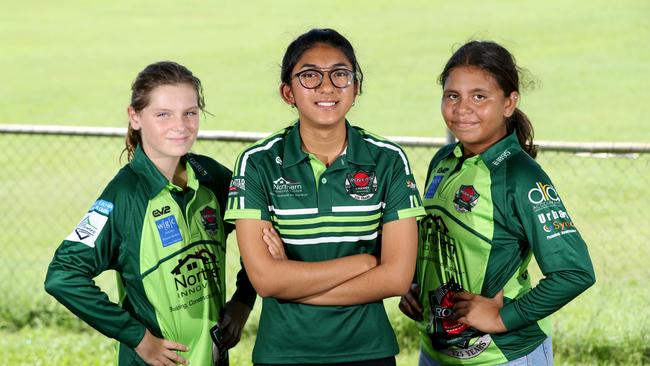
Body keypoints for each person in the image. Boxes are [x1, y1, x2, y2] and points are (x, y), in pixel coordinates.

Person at [224, 28, 425, 366]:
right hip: (283, 353)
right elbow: (266, 280)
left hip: (369, 351)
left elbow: (397, 277)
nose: (327, 86)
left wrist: (293, 278)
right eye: (310, 76)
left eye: (340, 74)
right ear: (287, 92)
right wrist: (363, 264)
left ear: (356, 87)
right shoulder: (256, 163)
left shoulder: (389, 159)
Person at [44, 61, 256, 366]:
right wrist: (138, 338)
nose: (180, 125)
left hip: (212, 356)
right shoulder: (125, 196)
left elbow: (263, 230)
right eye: (163, 114)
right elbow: (63, 276)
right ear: (135, 117)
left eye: (190, 113)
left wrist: (243, 301)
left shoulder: (211, 176)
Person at [398, 40, 596, 365]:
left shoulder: (520, 176)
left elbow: (574, 272)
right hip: (437, 350)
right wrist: (416, 282)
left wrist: (503, 318)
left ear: (509, 102)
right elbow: (436, 237)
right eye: (452, 96)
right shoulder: (444, 160)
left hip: (502, 354)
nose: (463, 108)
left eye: (479, 96)